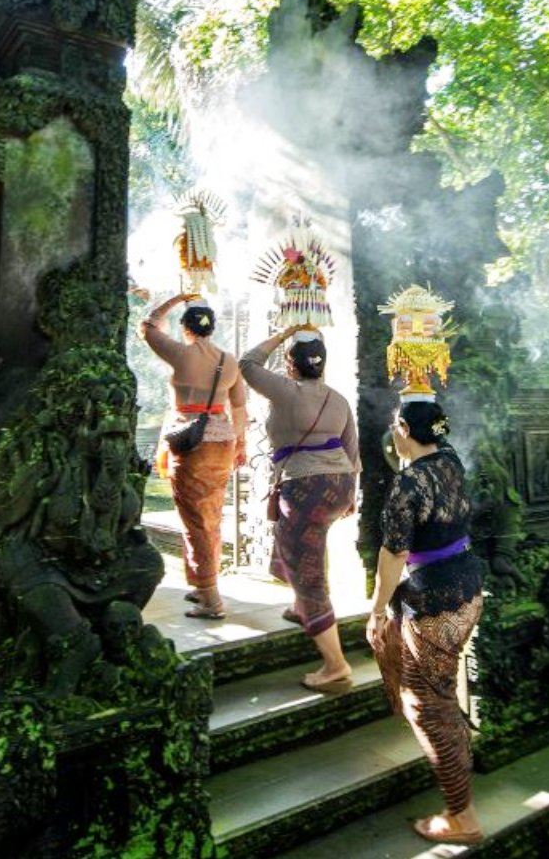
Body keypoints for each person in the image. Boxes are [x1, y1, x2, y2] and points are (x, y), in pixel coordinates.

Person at [367, 400, 486, 846]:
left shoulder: (407, 485)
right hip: (468, 589)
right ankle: (458, 767)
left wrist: (377, 609)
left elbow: (394, 555)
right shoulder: (450, 460)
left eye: (396, 426)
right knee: (431, 691)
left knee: (425, 705)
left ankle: (462, 815)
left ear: (401, 428)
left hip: (435, 603)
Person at [240, 326, 361, 691]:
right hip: (339, 484)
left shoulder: (286, 390)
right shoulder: (339, 400)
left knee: (305, 565)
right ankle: (299, 605)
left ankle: (336, 665)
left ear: (291, 366)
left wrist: (282, 334)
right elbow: (352, 449)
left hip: (307, 485)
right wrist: (351, 495)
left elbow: (247, 363)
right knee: (304, 542)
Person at [139, 292, 247, 619]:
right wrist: (239, 445)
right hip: (223, 442)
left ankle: (211, 598)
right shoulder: (229, 361)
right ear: (211, 328)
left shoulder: (180, 354)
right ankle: (203, 585)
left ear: (186, 328)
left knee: (193, 520)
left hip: (191, 445)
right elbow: (240, 408)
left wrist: (176, 299)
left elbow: (146, 326)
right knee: (211, 515)